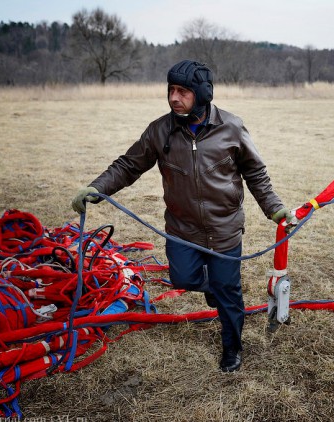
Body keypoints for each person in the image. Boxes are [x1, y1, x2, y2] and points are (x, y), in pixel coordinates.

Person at [72, 60, 294, 372]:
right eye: (171, 90)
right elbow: (128, 165)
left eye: (183, 92)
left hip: (224, 229)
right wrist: (96, 187)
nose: (175, 97)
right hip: (181, 229)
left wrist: (275, 208)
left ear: (203, 94)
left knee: (228, 294)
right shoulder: (159, 130)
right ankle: (212, 288)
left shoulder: (231, 128)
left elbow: (256, 174)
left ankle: (232, 349)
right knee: (183, 278)